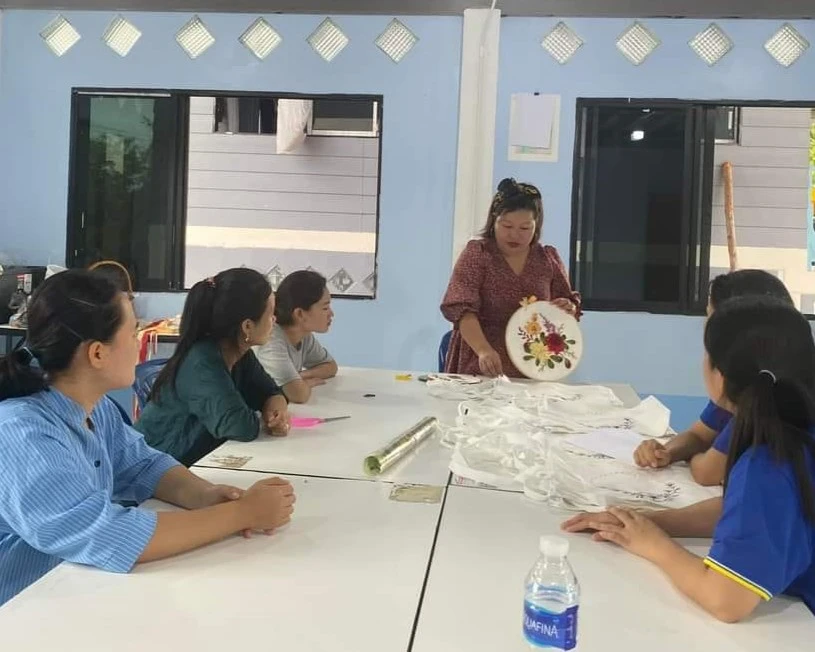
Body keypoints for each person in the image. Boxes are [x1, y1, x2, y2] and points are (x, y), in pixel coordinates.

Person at [0, 270, 295, 607]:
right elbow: (110, 534)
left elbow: (144, 464)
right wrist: (243, 514)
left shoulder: (95, 407)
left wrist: (206, 495)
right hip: (22, 607)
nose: (139, 342)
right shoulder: (24, 434)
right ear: (97, 354)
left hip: (75, 586)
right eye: (133, 333)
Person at [563, 297, 815, 621]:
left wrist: (654, 545)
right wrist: (649, 523)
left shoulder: (770, 460)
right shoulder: (793, 426)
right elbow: (748, 510)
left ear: (720, 374)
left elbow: (726, 600)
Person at [634, 269, 794, 486]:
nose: (705, 329)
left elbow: (707, 473)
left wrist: (697, 457)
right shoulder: (739, 391)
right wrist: (667, 452)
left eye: (711, 318)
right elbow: (699, 435)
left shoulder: (761, 398)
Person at [135, 268, 290, 466]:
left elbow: (272, 391)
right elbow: (240, 427)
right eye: (270, 315)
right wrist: (264, 416)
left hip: (189, 467)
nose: (274, 320)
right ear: (247, 327)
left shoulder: (240, 354)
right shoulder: (201, 362)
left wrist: (275, 411)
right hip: (150, 472)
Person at [440, 178, 580, 379]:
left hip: (533, 362)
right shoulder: (478, 254)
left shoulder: (547, 259)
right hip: (482, 360)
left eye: (525, 228)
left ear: (536, 226)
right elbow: (462, 310)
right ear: (494, 221)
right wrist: (483, 350)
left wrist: (567, 307)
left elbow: (566, 307)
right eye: (507, 226)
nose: (514, 235)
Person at [256, 270, 337, 404]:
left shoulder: (304, 335)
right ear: (299, 314)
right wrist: (304, 383)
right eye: (325, 308)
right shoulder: (271, 340)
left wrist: (301, 376)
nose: (331, 314)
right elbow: (299, 395)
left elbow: (331, 367)